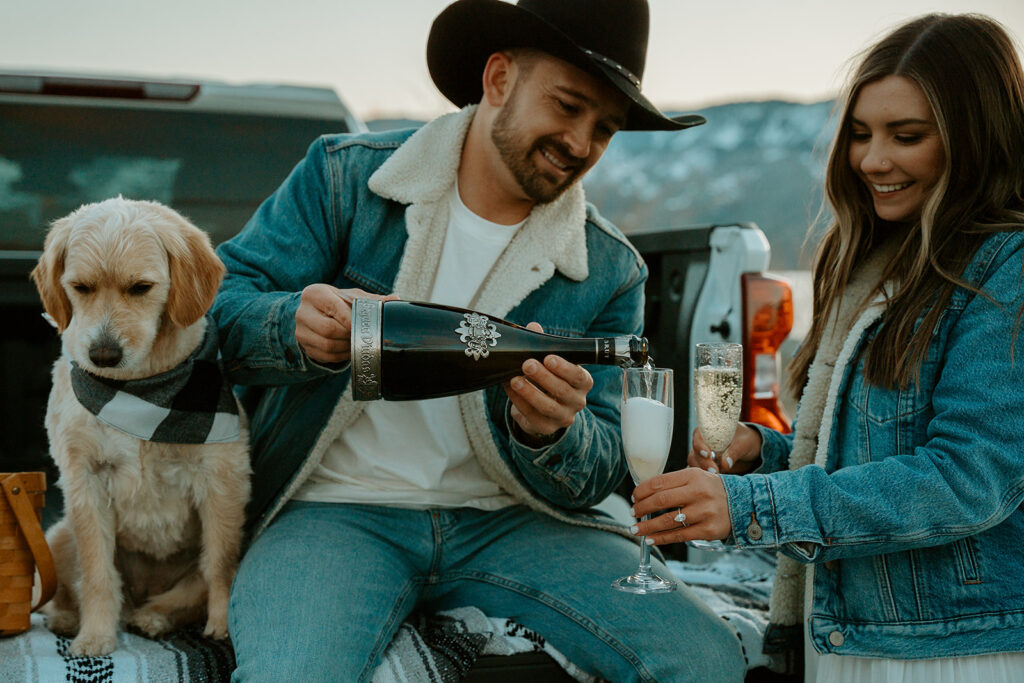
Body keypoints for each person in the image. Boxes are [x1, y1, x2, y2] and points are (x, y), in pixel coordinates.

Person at [212, 1, 747, 680]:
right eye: (568, 106)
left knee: (705, 660)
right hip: (336, 514)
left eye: (604, 128)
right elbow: (218, 310)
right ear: (498, 80)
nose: (581, 142)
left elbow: (605, 462)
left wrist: (549, 433)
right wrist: (290, 324)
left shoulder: (610, 269)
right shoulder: (345, 178)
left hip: (515, 521)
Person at [631, 12, 1024, 682]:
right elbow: (867, 454)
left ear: (974, 140)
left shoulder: (1007, 265)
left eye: (907, 136)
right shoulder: (877, 267)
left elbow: (968, 477)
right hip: (843, 637)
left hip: (948, 651)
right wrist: (763, 454)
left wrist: (751, 507)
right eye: (862, 134)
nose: (872, 160)